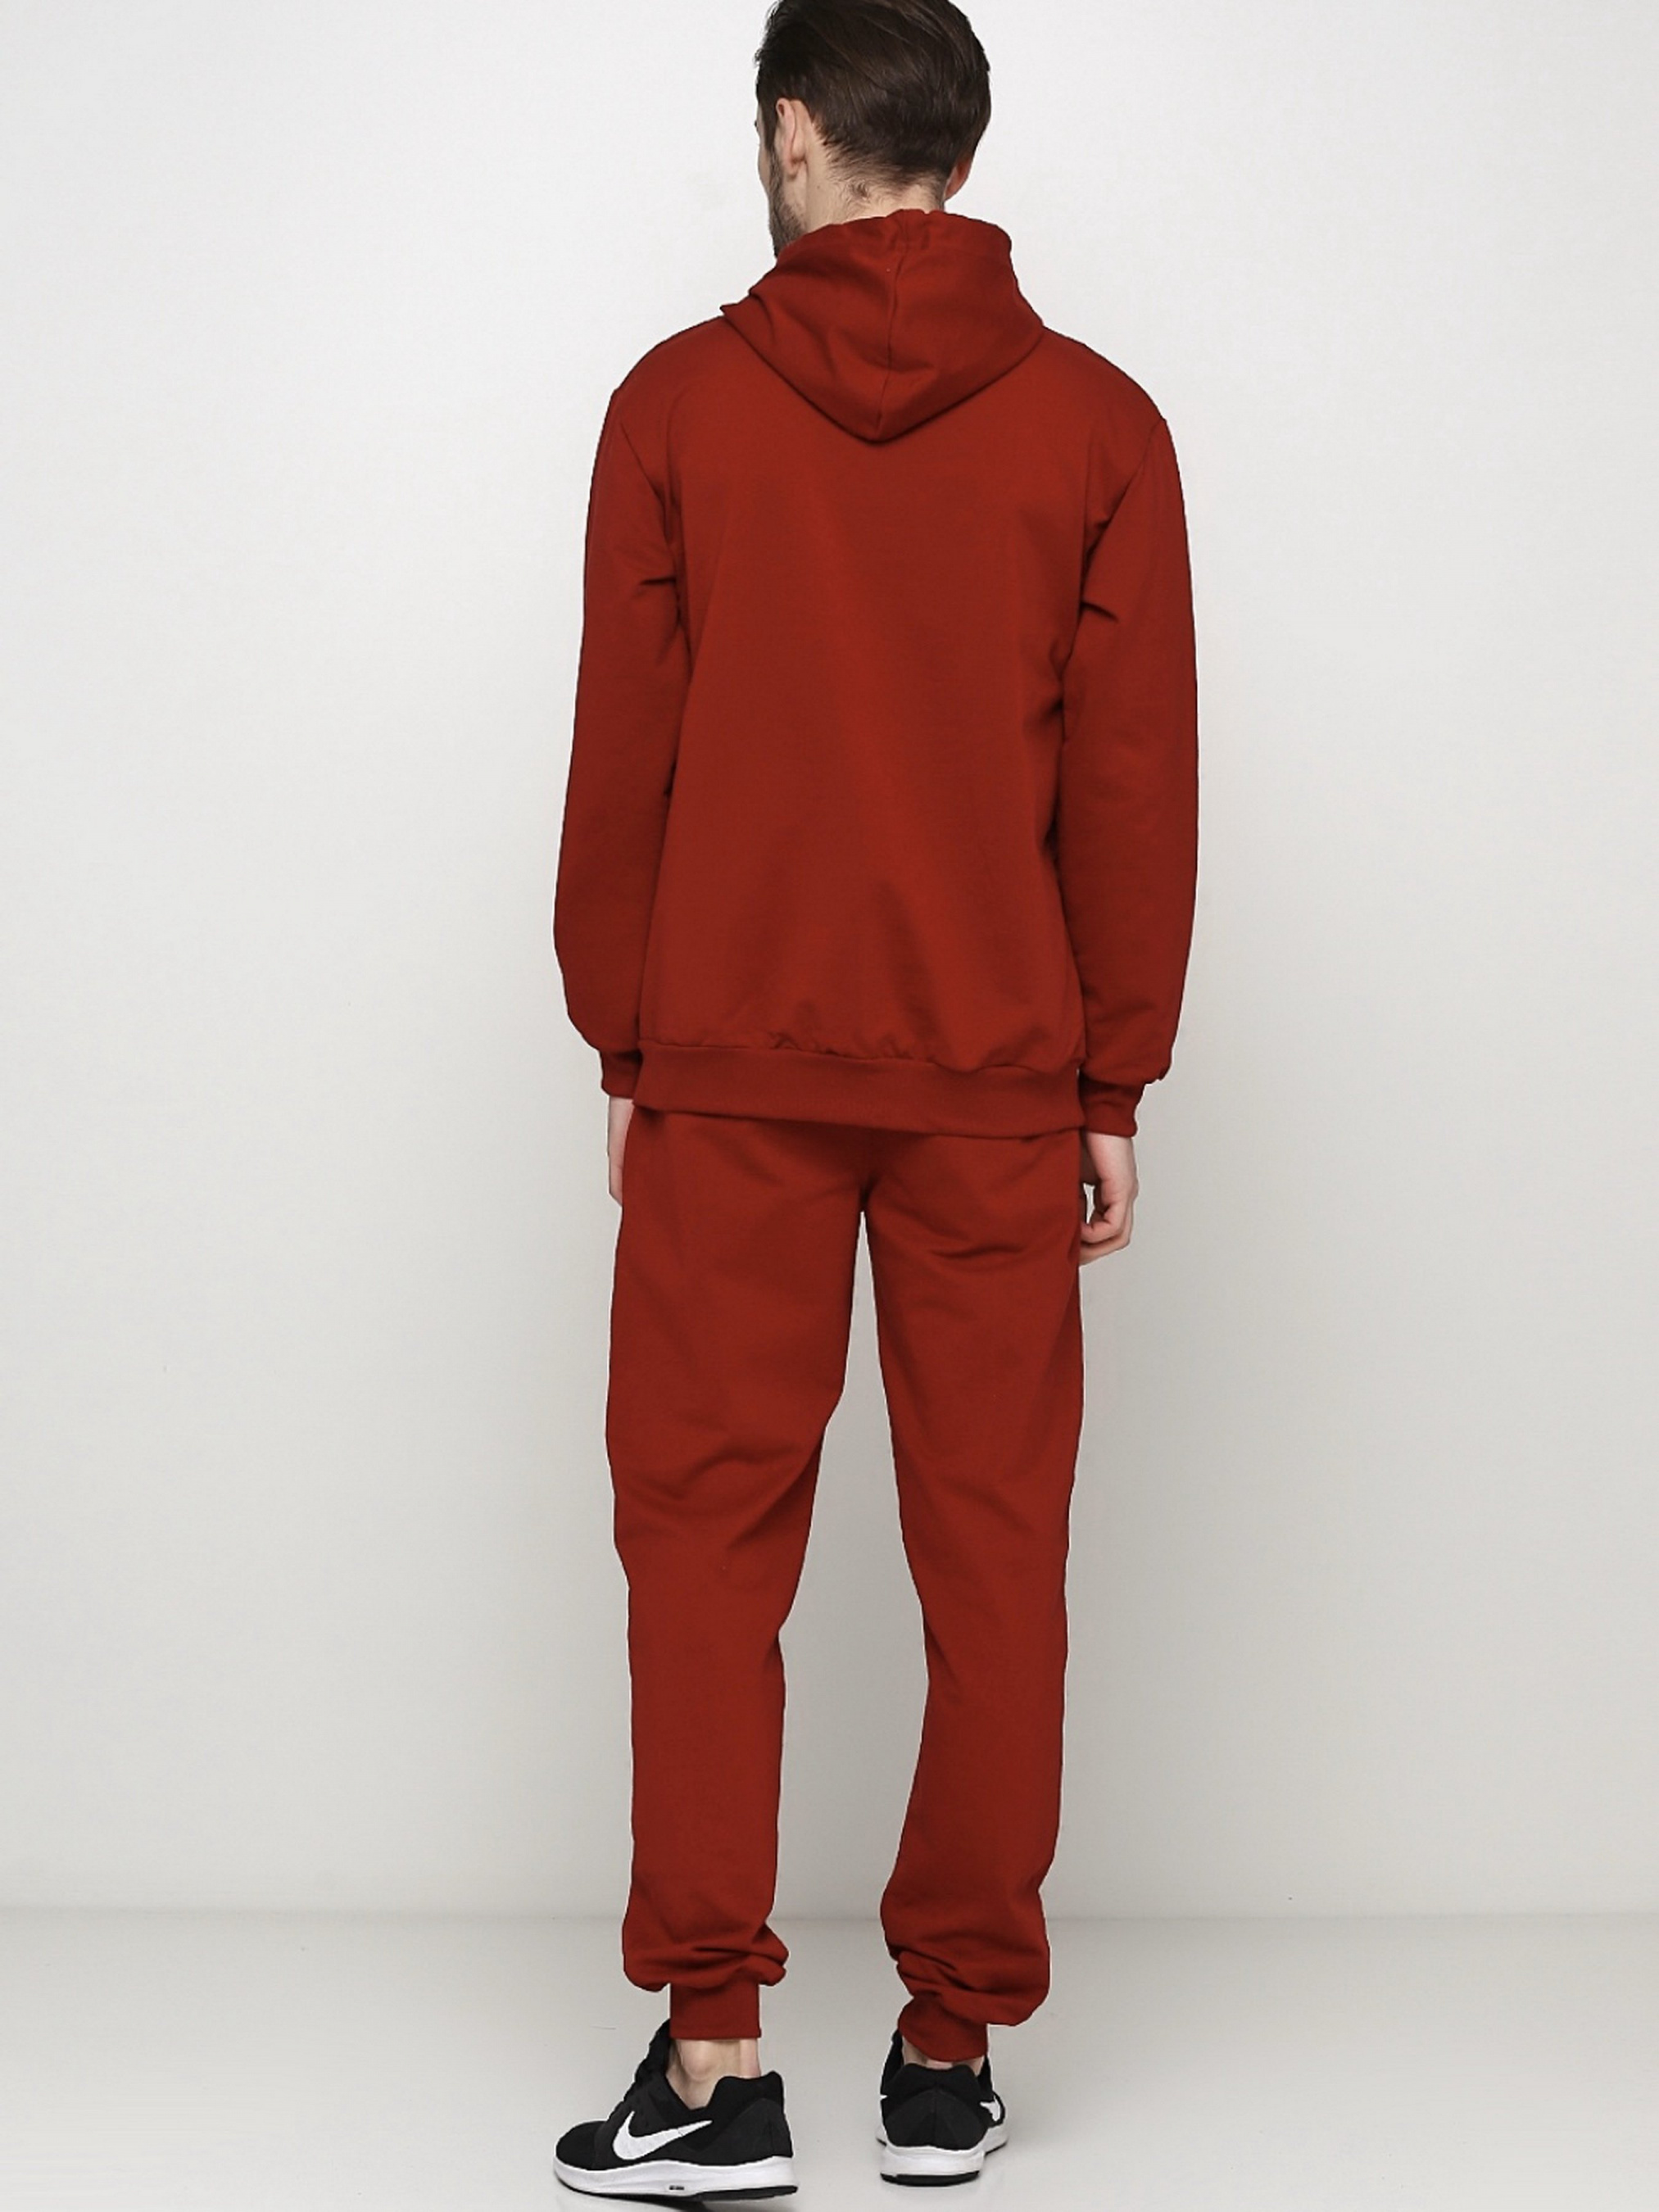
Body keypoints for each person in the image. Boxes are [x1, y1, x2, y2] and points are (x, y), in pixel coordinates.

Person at [549, 0, 1198, 2194]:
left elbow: (625, 753)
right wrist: (1113, 1071)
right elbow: (1133, 776)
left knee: (700, 1543)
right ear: (959, 154)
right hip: (999, 1075)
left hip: (731, 1065)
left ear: (796, 133)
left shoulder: (676, 404)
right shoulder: (1100, 425)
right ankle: (948, 2048)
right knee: (995, 1547)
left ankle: (715, 2060)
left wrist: (623, 1037)